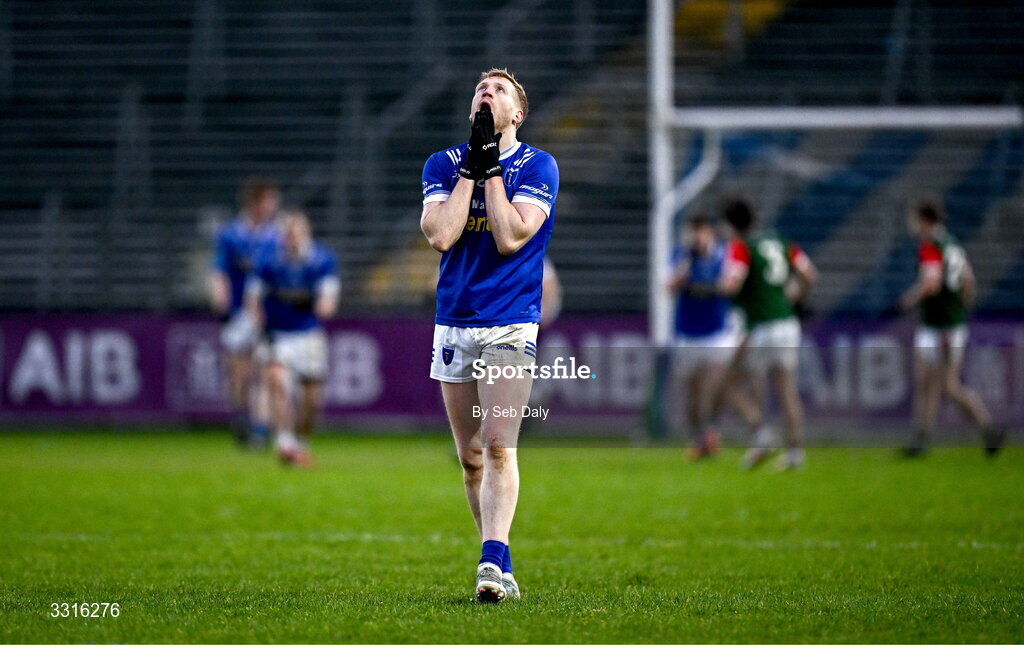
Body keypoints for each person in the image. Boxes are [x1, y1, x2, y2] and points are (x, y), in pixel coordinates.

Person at [420, 68, 558, 603]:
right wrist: (472, 169)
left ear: (517, 113)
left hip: (510, 321)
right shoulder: (442, 163)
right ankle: (500, 558)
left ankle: (489, 563)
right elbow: (441, 234)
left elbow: (509, 236)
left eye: (500, 89)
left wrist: (492, 167)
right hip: (454, 321)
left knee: (500, 447)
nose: (487, 91)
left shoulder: (539, 164)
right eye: (480, 87)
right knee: (471, 457)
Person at [896, 200, 1004, 457]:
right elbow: (969, 280)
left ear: (924, 219)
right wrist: (962, 309)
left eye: (913, 218)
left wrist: (905, 302)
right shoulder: (951, 244)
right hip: (949, 323)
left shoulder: (931, 246)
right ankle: (922, 439)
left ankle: (988, 428)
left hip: (939, 326)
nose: (911, 224)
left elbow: (930, 283)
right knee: (930, 382)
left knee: (945, 385)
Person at [719, 199, 816, 471]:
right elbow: (809, 273)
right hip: (787, 323)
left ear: (731, 224)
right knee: (786, 390)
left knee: (727, 381)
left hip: (761, 326)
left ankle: (762, 432)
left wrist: (718, 286)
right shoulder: (780, 242)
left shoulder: (740, 247)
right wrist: (791, 298)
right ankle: (795, 454)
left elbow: (732, 283)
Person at [246, 209, 339, 467]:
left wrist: (310, 303)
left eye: (295, 233)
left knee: (310, 399)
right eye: (286, 234)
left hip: (307, 334)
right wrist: (259, 323)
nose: (291, 239)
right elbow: (252, 299)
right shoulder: (267, 260)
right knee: (276, 381)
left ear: (306, 233)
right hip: (276, 334)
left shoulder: (322, 260)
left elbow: (327, 305)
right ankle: (284, 441)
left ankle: (301, 442)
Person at [210, 176, 281, 447]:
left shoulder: (277, 235)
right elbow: (220, 272)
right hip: (240, 311)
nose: (273, 206)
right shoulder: (231, 234)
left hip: (267, 312)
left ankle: (260, 429)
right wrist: (222, 303)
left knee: (265, 370)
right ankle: (240, 416)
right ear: (255, 201)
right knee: (239, 372)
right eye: (269, 200)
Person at [666, 214, 740, 460]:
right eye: (693, 231)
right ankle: (700, 438)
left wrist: (709, 287)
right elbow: (669, 286)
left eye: (701, 231)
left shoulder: (723, 254)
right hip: (687, 333)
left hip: (716, 333)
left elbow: (730, 286)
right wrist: (685, 272)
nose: (697, 237)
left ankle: (711, 432)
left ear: (711, 232)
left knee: (711, 389)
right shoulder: (682, 255)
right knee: (693, 394)